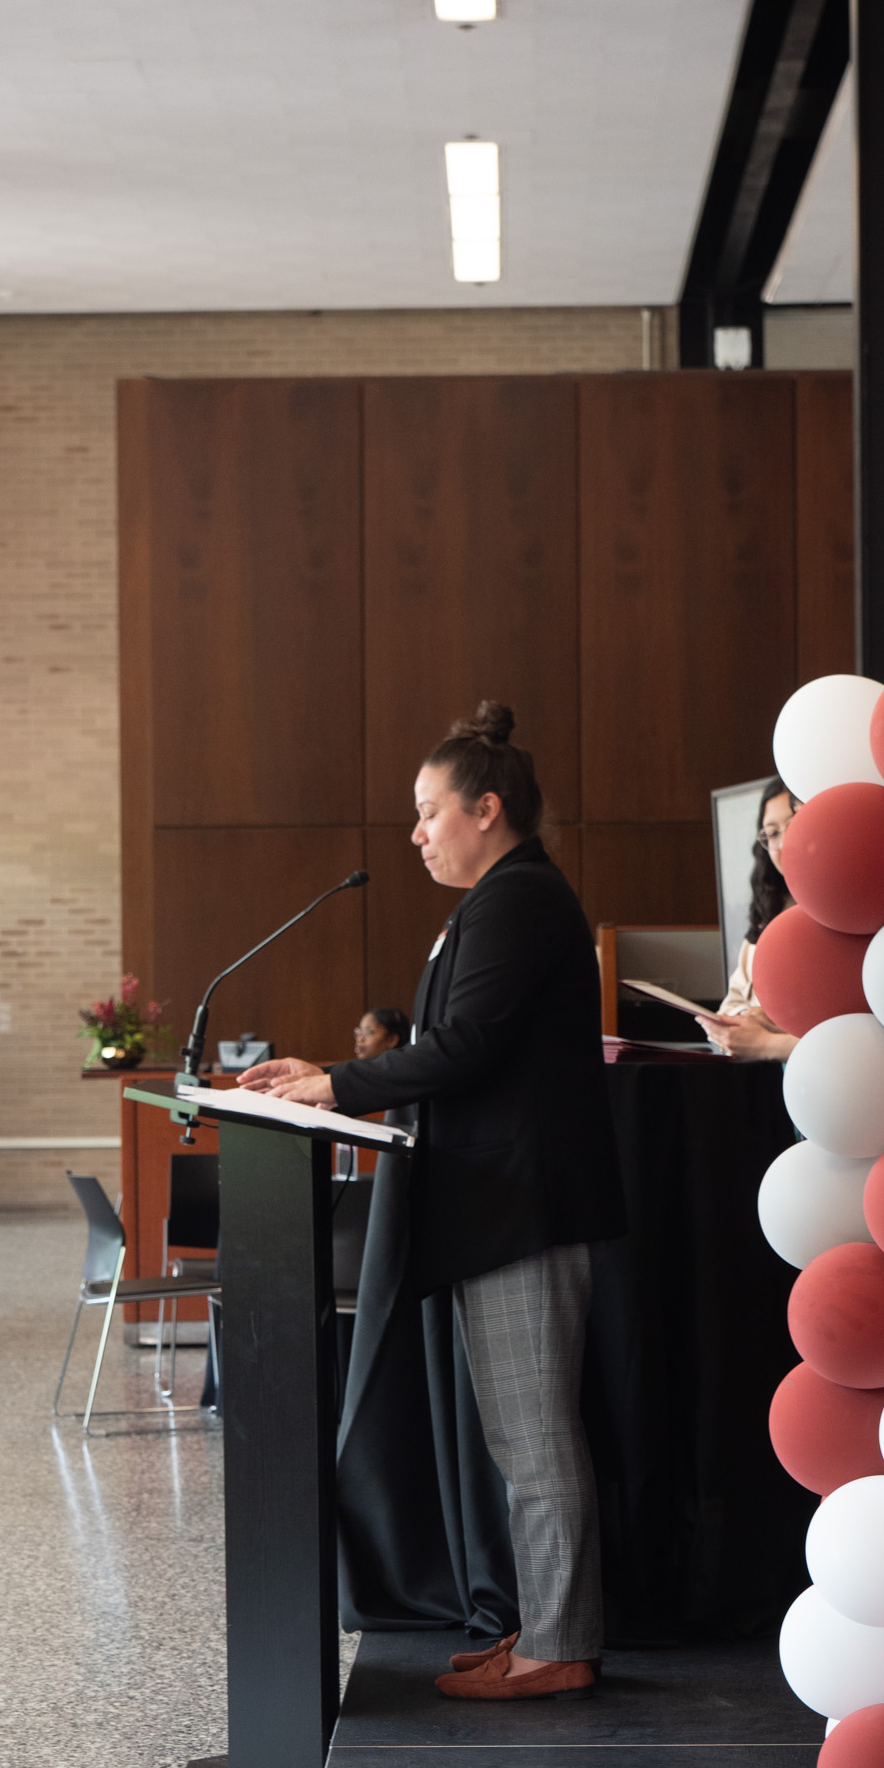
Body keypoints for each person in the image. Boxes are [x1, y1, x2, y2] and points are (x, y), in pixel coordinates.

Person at [241, 701, 625, 1701]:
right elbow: (449, 1044)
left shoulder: (519, 898)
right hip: (497, 1206)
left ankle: (560, 1645)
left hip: (522, 1207)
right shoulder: (498, 899)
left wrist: (330, 1084)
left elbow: (465, 1049)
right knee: (519, 1439)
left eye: (428, 811)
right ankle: (545, 1626)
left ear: (486, 808)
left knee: (537, 1440)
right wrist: (326, 1074)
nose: (415, 832)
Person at [696, 776, 801, 1063]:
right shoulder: (766, 915)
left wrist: (771, 1032)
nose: (782, 844)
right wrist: (748, 1019)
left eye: (793, 825)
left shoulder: (845, 916)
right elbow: (731, 1003)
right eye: (772, 833)